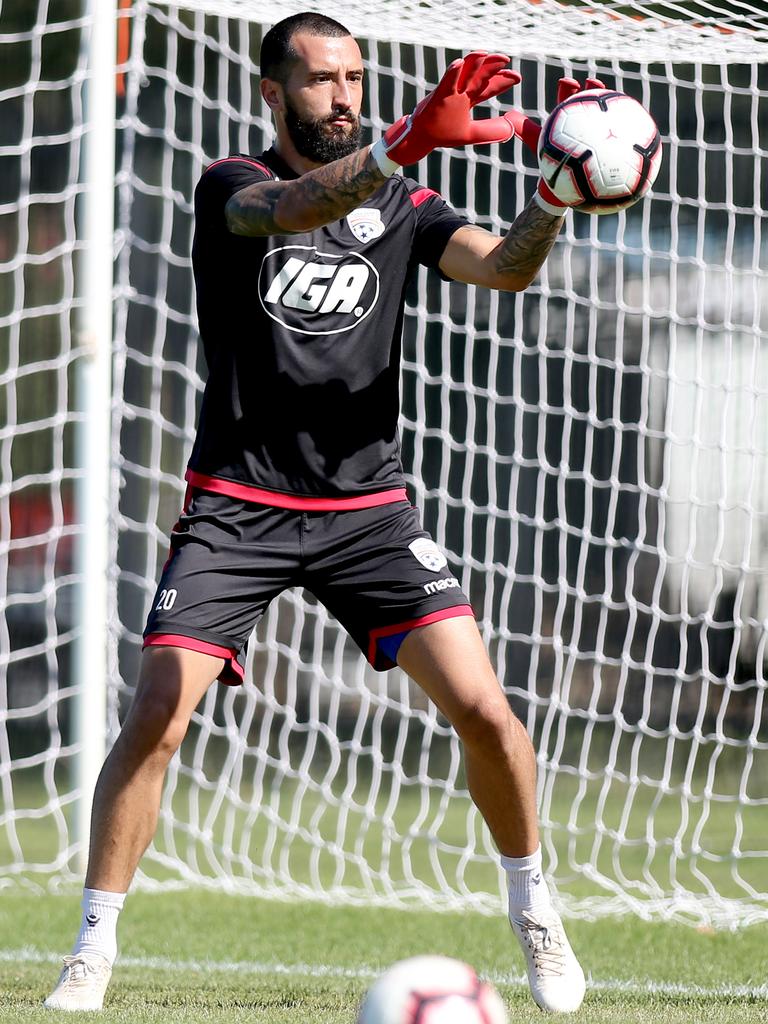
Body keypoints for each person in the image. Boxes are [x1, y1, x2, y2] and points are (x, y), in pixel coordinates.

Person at [45, 11, 593, 1015]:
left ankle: (535, 911)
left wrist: (557, 190)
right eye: (321, 80)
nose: (343, 95)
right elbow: (292, 210)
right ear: (273, 91)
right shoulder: (230, 185)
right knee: (161, 705)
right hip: (237, 507)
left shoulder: (407, 198)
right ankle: (92, 948)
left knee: (487, 713)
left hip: (367, 510)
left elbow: (505, 266)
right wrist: (406, 142)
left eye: (355, 77)